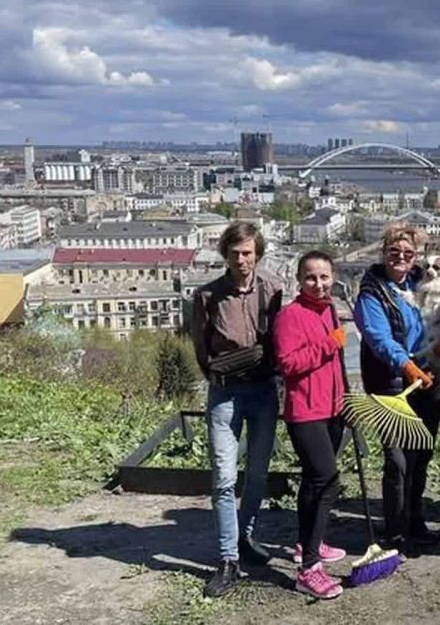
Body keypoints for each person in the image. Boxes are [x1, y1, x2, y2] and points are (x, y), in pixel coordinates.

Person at [190, 222, 283, 598]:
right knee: (225, 479)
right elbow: (201, 346)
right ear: (224, 255)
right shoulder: (207, 296)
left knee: (257, 474)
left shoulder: (273, 289)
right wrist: (219, 374)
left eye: (247, 252)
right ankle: (228, 558)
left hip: (263, 390)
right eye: (235, 253)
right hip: (226, 394)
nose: (242, 260)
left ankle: (244, 537)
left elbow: (282, 338)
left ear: (257, 253)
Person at [353, 223, 440, 552]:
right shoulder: (372, 292)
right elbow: (378, 338)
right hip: (391, 384)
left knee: (421, 454)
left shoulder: (422, 280)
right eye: (394, 252)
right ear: (384, 253)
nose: (401, 258)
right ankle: (395, 529)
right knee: (398, 459)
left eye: (408, 253)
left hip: (427, 380)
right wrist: (408, 366)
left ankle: (414, 519)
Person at [273, 251, 347, 599]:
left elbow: (336, 366)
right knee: (327, 481)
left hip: (331, 408)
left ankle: (307, 544)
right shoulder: (290, 316)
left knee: (312, 483)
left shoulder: (329, 309)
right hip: (306, 411)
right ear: (299, 280)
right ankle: (309, 569)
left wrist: (344, 400)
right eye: (311, 278)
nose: (319, 285)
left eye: (324, 277)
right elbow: (288, 364)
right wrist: (328, 344)